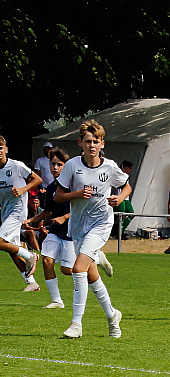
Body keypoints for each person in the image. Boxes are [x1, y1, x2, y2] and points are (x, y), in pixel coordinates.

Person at [53, 120, 128, 338]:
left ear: (102, 143)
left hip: (101, 223)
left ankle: (76, 324)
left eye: (96, 141)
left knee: (78, 269)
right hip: (78, 225)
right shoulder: (72, 166)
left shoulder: (110, 167)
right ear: (80, 143)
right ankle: (112, 316)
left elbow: (126, 186)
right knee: (91, 275)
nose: (92, 145)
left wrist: (119, 198)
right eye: (88, 141)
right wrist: (77, 194)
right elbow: (58, 196)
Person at [23, 148, 72, 308]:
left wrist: (64, 217)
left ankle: (96, 258)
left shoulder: (74, 185)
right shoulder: (51, 188)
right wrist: (31, 220)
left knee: (67, 270)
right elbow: (47, 212)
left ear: (66, 166)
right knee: (47, 260)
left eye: (59, 164)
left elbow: (81, 210)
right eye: (53, 164)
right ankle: (57, 300)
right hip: (55, 232)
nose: (55, 167)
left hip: (71, 232)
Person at [0, 135, 43, 292]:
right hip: (5, 212)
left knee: (1, 242)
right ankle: (31, 282)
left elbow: (37, 179)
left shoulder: (16, 166)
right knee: (11, 249)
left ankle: (30, 255)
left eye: (0, 147)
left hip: (17, 211)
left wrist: (23, 189)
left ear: (6, 149)